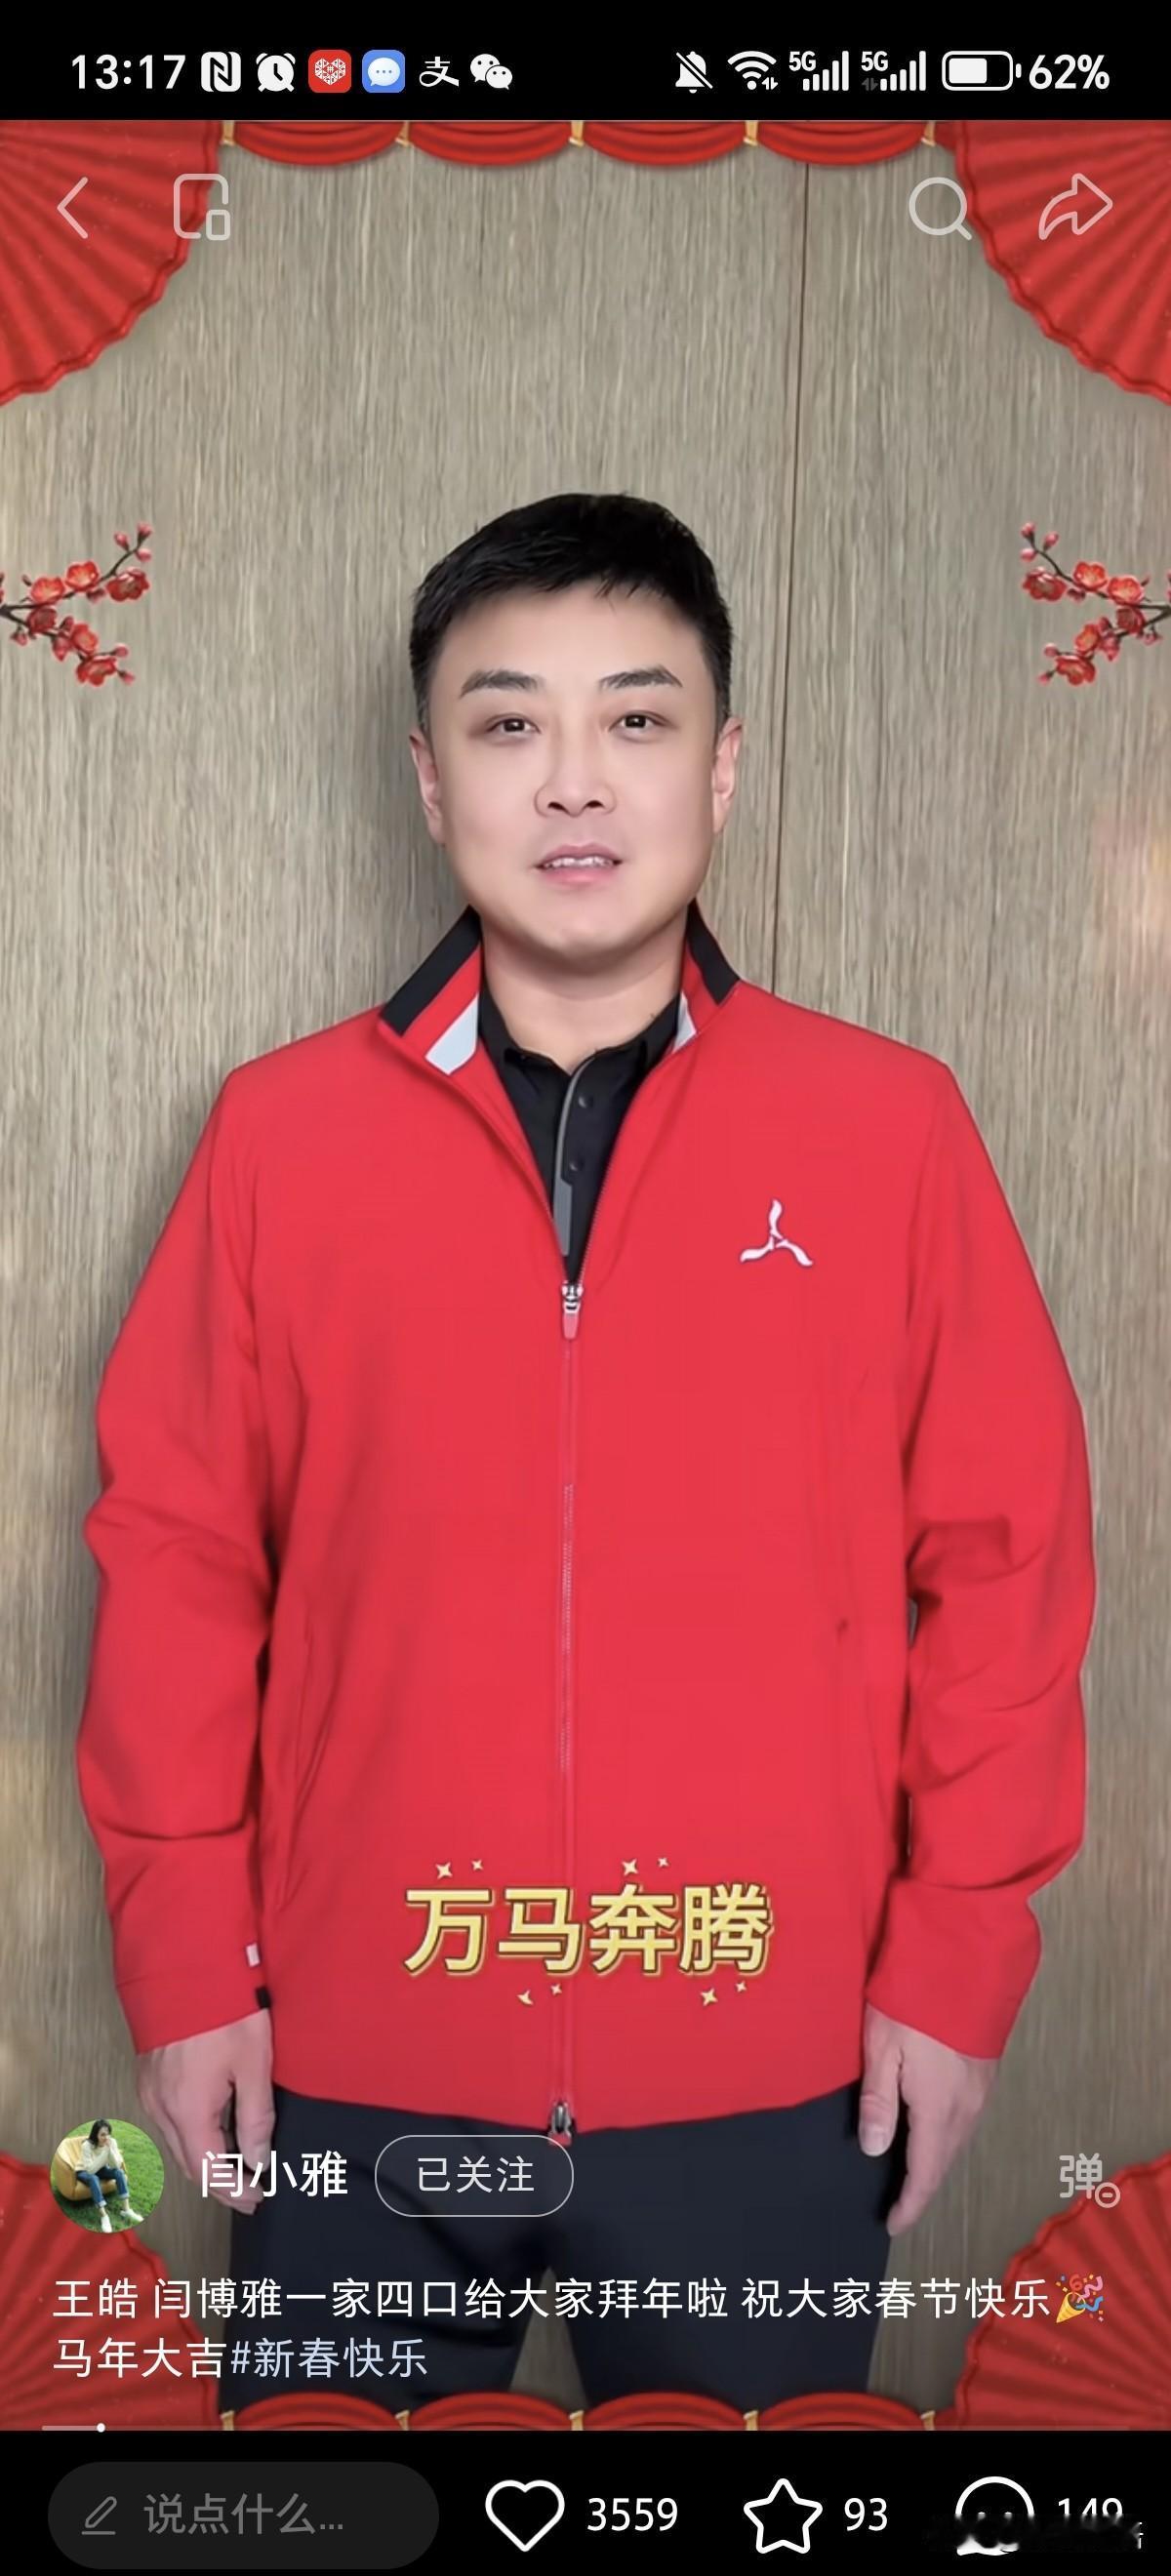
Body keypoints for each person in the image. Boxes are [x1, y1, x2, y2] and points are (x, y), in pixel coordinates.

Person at [76, 493, 1096, 2413]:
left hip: (768, 2063)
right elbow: (181, 1559)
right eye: (507, 722)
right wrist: (189, 1959)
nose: (573, 780)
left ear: (722, 768)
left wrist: (957, 1962)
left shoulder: (887, 1131)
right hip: (355, 2057)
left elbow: (1010, 1567)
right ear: (429, 777)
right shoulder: (281, 1139)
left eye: (635, 718)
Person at [71, 2119, 145, 2231]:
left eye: (108, 2134)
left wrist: (110, 2150)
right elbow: (90, 2171)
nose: (106, 2137)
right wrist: (105, 2153)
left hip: (101, 2168)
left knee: (119, 2172)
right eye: (102, 2135)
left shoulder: (112, 2142)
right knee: (93, 2178)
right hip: (84, 2170)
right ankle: (104, 2216)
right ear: (95, 2134)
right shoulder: (87, 2145)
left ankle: (126, 2210)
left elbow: (117, 2165)